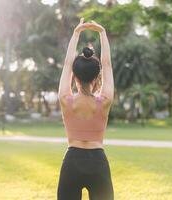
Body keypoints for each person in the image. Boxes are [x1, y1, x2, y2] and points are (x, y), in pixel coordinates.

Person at [57, 18, 114, 200]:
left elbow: (67, 65)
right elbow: (107, 65)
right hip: (98, 161)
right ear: (97, 78)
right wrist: (102, 32)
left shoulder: (66, 100)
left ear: (74, 77)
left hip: (72, 161)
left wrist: (76, 34)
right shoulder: (105, 100)